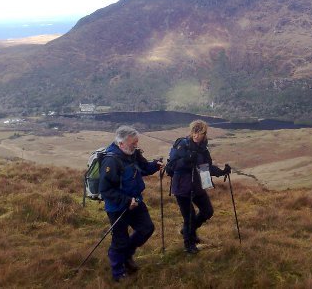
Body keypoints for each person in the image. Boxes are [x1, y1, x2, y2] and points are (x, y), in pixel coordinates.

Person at [99, 125, 163, 281]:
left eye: (136, 142)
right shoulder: (111, 161)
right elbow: (106, 189)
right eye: (133, 143)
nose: (136, 145)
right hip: (117, 207)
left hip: (136, 201)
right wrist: (127, 201)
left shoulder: (132, 153)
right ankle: (118, 273)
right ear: (121, 143)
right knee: (120, 239)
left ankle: (127, 255)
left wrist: (155, 165)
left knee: (146, 228)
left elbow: (144, 168)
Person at [166, 120, 231, 254]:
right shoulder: (181, 144)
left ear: (204, 134)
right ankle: (189, 245)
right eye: (194, 133)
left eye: (199, 134)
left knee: (207, 211)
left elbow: (206, 167)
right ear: (191, 132)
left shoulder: (203, 148)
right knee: (189, 216)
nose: (196, 136)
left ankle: (187, 231)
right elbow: (171, 166)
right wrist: (186, 160)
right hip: (182, 187)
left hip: (197, 185)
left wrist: (222, 172)